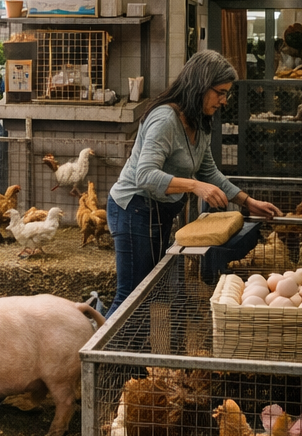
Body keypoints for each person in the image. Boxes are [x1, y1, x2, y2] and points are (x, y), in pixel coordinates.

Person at [107, 52, 281, 313]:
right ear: (200, 85)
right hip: (134, 208)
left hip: (158, 211)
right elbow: (144, 175)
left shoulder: (199, 121)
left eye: (227, 94)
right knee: (131, 295)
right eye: (220, 92)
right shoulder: (165, 119)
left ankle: (132, 350)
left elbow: (209, 171)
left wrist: (247, 202)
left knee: (147, 292)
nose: (223, 101)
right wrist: (194, 186)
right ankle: (98, 354)